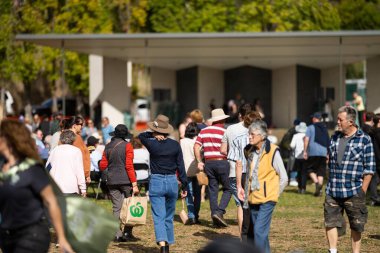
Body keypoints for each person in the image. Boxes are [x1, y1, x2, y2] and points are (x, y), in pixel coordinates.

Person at [0, 120, 73, 253]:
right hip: (7, 236)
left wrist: (61, 237)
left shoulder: (32, 168)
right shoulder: (2, 169)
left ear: (9, 139)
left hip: (31, 236)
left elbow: (52, 202)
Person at [324, 106, 375, 253]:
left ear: (351, 121)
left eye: (340, 119)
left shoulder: (364, 139)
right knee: (330, 222)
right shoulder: (334, 137)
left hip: (354, 191)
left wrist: (362, 191)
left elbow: (369, 169)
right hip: (333, 190)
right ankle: (332, 251)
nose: (337, 122)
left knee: (356, 225)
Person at [138, 115, 187, 253]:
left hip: (157, 181)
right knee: (169, 216)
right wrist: (184, 184)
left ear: (156, 130)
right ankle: (168, 243)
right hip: (172, 181)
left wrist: (152, 134)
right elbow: (180, 166)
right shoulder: (175, 145)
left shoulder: (152, 144)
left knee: (158, 216)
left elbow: (141, 136)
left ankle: (163, 245)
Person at [237, 120, 288, 253]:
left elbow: (284, 178)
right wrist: (244, 190)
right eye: (249, 134)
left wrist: (273, 194)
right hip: (253, 198)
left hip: (267, 200)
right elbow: (249, 175)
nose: (249, 137)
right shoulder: (250, 151)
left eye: (252, 135)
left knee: (259, 232)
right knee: (260, 234)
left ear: (262, 136)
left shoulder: (273, 151)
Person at [99, 124, 140, 242]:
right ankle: (127, 232)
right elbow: (129, 166)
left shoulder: (107, 146)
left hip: (112, 180)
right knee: (130, 207)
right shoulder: (128, 146)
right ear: (125, 135)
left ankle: (117, 234)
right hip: (126, 180)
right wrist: (134, 183)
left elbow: (102, 165)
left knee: (116, 208)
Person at [227, 111, 262, 242]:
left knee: (244, 208)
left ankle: (245, 239)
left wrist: (238, 184)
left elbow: (238, 163)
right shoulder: (263, 139)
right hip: (259, 175)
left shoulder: (238, 139)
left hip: (243, 175)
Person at [194, 108, 231, 228]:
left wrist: (199, 161)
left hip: (209, 163)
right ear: (222, 120)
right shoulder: (225, 132)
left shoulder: (204, 131)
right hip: (222, 162)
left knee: (212, 190)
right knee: (228, 188)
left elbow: (196, 146)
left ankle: (215, 214)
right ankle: (219, 212)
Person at [220, 103, 253, 235]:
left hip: (234, 169)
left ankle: (242, 238)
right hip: (252, 171)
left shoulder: (230, 128)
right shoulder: (254, 128)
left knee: (240, 204)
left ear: (240, 115)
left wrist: (233, 152)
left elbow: (223, 150)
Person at [47, 130, 87, 197]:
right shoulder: (76, 151)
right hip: (71, 187)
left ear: (61, 139)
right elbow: (79, 170)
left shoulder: (55, 150)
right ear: (73, 140)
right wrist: (83, 188)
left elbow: (48, 167)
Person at [303, 112, 329, 196]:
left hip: (313, 152)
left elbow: (306, 139)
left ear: (315, 118)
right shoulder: (325, 128)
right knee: (321, 171)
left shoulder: (310, 127)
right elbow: (328, 141)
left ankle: (317, 183)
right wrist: (328, 153)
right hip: (324, 152)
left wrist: (305, 151)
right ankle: (320, 191)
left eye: (312, 118)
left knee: (309, 169)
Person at [180, 122, 201, 225]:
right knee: (198, 194)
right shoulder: (198, 141)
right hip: (197, 170)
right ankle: (196, 215)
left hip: (185, 171)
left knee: (188, 193)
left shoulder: (182, 141)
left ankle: (191, 216)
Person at [68, 116, 91, 184]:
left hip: (68, 172)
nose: (82, 126)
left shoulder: (63, 136)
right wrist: (86, 174)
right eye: (81, 124)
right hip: (78, 174)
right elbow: (83, 157)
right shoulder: (77, 138)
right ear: (74, 126)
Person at [290, 122, 307, 193]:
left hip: (297, 156)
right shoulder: (307, 135)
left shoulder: (295, 136)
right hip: (305, 156)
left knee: (299, 172)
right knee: (304, 173)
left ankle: (300, 187)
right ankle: (303, 188)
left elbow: (292, 145)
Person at [367, 113, 380, 206]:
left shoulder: (370, 132)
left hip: (373, 159)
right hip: (378, 158)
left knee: (374, 180)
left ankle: (373, 199)